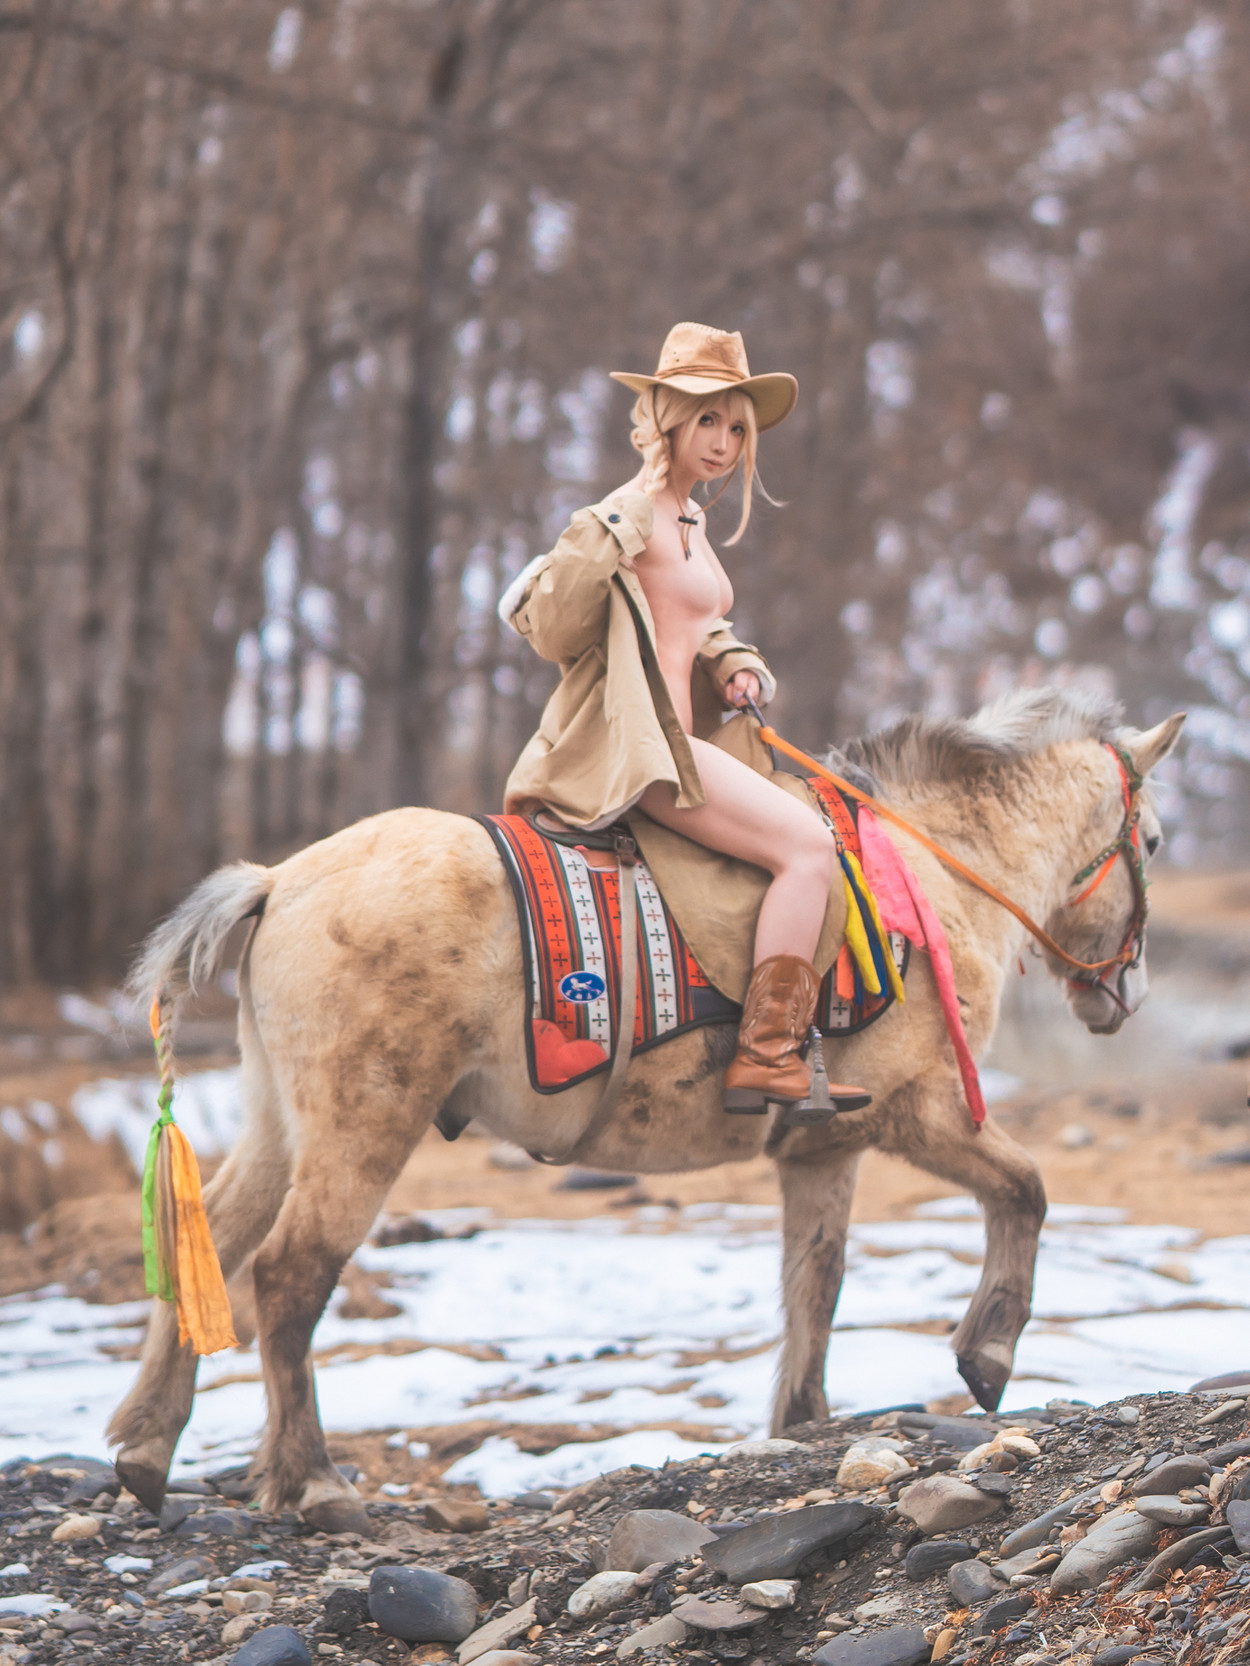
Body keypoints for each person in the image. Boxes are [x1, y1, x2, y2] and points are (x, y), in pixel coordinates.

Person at [500, 322, 869, 1113]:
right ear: (666, 415)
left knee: (807, 829)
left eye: (737, 428)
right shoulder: (626, 514)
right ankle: (768, 1054)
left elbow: (688, 620)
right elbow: (555, 629)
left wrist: (731, 659)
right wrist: (608, 533)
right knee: (809, 850)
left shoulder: (691, 520)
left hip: (685, 740)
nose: (726, 443)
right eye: (709, 420)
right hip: (642, 753)